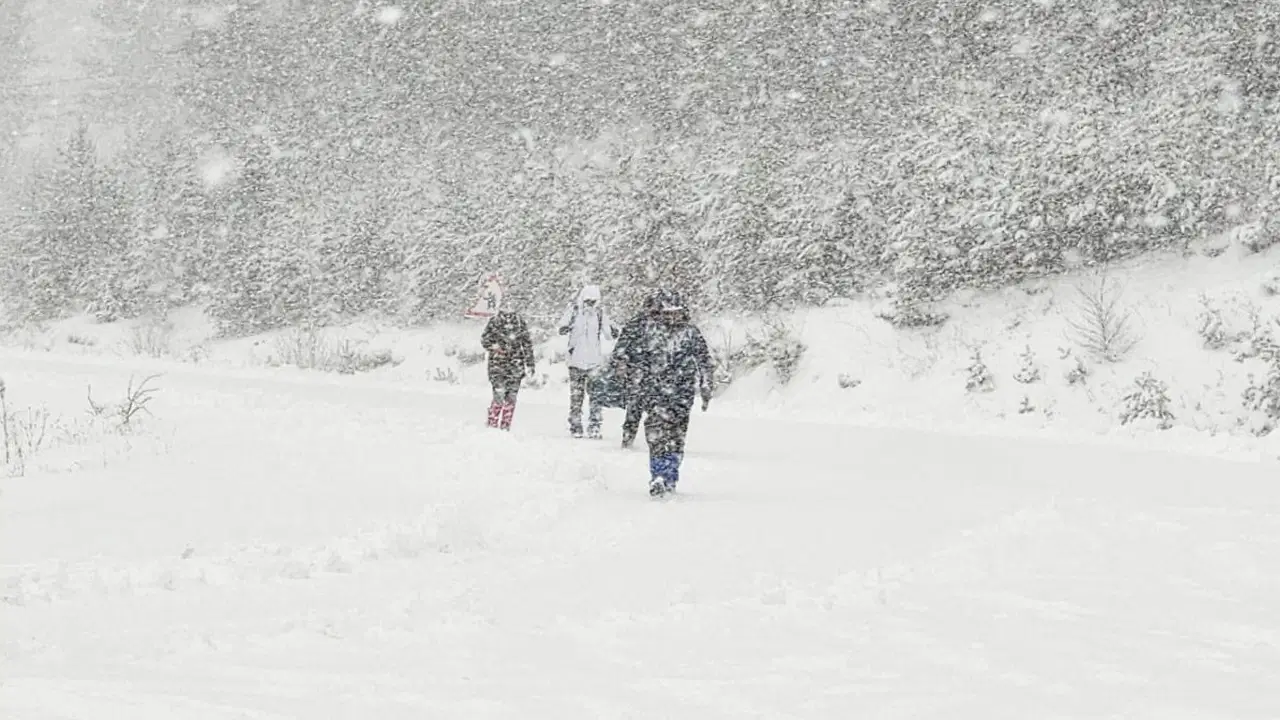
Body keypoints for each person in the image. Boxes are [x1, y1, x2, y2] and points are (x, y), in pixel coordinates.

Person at [636, 290, 714, 497]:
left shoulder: (691, 333)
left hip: (681, 394)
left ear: (683, 313)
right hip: (655, 393)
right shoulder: (651, 332)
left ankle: (670, 474)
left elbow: (704, 362)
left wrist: (706, 387)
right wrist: (638, 384)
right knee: (655, 436)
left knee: (676, 437)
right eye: (668, 313)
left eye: (676, 313)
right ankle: (658, 475)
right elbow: (640, 360)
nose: (672, 317)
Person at [557, 284, 620, 438]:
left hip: (594, 362)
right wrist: (567, 327)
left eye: (593, 301)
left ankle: (594, 426)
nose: (590, 304)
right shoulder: (573, 312)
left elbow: (608, 334)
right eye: (587, 301)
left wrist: (614, 331)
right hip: (575, 361)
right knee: (576, 396)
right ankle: (575, 425)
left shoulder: (600, 315)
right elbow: (561, 327)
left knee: (596, 396)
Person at [610, 293, 662, 449]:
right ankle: (628, 437)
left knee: (657, 409)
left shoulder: (666, 327)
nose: (655, 315)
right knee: (634, 407)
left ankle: (654, 440)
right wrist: (623, 362)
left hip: (658, 374)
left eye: (657, 312)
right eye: (652, 311)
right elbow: (621, 346)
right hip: (637, 372)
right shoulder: (635, 324)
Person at [480, 302, 536, 431]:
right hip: (497, 365)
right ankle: (493, 424)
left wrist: (530, 363)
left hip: (515, 365)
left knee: (511, 397)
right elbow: (484, 340)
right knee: (499, 394)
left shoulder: (519, 322)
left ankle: (505, 425)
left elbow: (527, 344)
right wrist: (495, 347)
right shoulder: (494, 321)